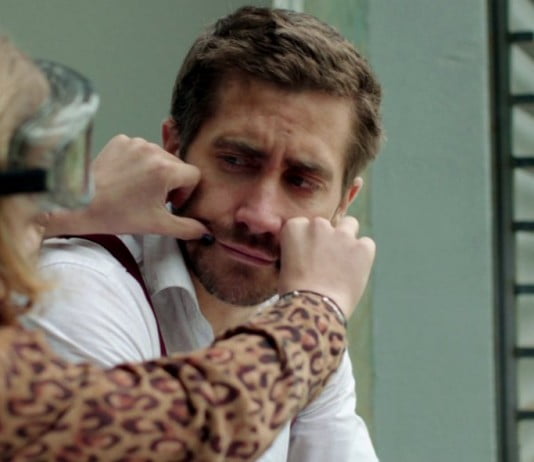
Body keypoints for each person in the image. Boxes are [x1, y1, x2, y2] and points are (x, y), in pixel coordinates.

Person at [28, 6, 382, 461]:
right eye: (236, 161)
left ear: (343, 204)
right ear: (173, 148)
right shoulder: (80, 285)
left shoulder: (301, 305)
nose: (260, 216)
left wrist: (316, 315)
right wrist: (316, 319)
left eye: (300, 181)